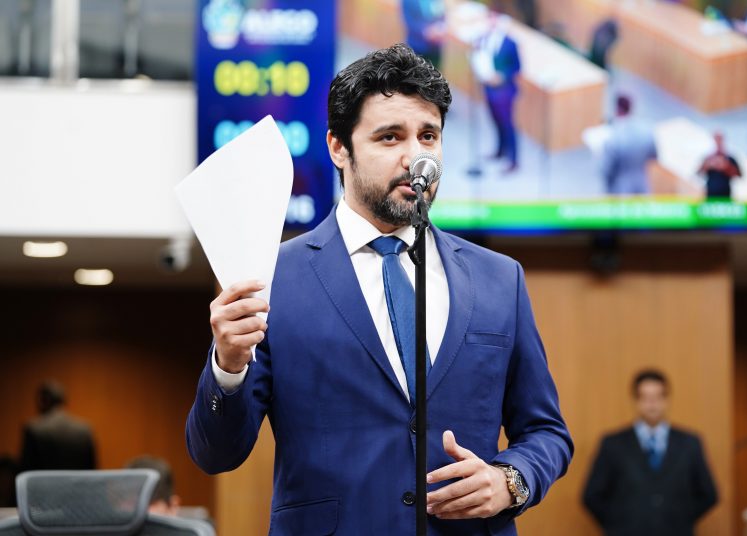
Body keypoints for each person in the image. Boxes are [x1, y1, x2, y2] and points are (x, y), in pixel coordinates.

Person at [186, 43, 572, 535]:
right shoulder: (274, 278)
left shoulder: (499, 279)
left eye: (428, 136)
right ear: (338, 148)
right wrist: (228, 366)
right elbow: (215, 452)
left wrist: (509, 481)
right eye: (390, 137)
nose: (417, 158)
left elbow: (546, 432)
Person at [583, 369, 717, 536]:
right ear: (636, 400)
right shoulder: (612, 444)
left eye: (657, 397)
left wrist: (682, 518)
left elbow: (708, 494)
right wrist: (617, 523)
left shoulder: (690, 443)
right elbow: (591, 495)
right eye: (645, 397)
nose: (652, 404)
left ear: (667, 399)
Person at [471, 14, 521, 172]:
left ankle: (513, 159)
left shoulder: (510, 43)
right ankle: (500, 150)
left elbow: (517, 67)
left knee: (507, 124)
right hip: (489, 88)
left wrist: (502, 76)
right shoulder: (483, 39)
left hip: (504, 90)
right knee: (495, 120)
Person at [19, 381, 97, 471]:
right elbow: (91, 470)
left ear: (45, 400)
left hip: (45, 485)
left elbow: (26, 470)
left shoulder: (34, 428)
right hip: (77, 484)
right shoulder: (85, 429)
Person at [600, 94, 658, 195]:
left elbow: (607, 169)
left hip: (620, 189)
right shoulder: (647, 130)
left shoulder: (613, 138)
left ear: (617, 110)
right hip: (641, 184)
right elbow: (654, 155)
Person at [401, 0, 445, 69]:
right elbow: (410, 22)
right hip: (417, 49)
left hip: (435, 50)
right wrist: (426, 32)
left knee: (435, 75)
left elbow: (441, 15)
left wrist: (440, 28)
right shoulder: (408, 1)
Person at [698, 131, 742, 199]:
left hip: (725, 194)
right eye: (716, 139)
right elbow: (698, 173)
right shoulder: (708, 158)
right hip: (710, 194)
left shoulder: (730, 158)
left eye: (720, 139)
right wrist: (708, 165)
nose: (718, 142)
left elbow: (739, 175)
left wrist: (726, 167)